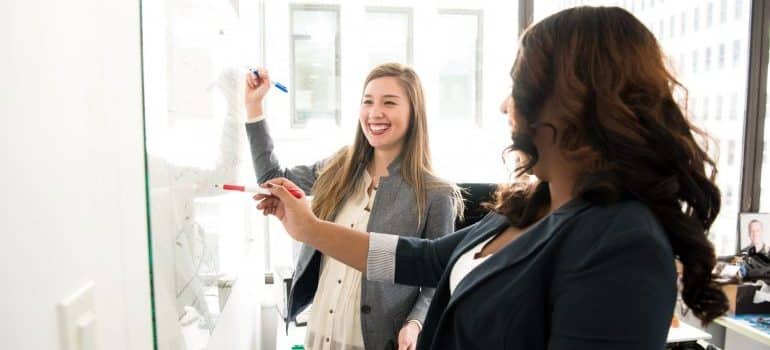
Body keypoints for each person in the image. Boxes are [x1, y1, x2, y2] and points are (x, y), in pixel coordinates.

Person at [254, 6, 729, 350]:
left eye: (517, 85)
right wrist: (310, 229)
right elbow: (426, 258)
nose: (505, 105)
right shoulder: (531, 204)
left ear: (570, 101)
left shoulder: (621, 242)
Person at [244, 62, 462, 350]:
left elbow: (439, 277)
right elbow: (273, 179)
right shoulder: (339, 167)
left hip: (374, 340)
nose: (375, 113)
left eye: (389, 103)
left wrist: (415, 323)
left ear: (414, 113)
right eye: (367, 102)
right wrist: (253, 105)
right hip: (319, 334)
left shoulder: (436, 193)